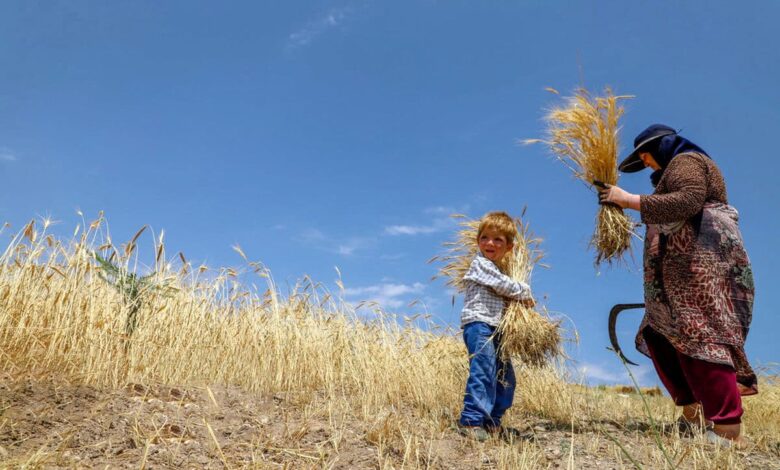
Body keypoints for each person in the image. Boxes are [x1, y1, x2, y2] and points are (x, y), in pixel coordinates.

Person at [599, 124, 756, 448]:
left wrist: (627, 200)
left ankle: (727, 428)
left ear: (660, 147)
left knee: (702, 334)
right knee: (660, 334)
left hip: (701, 267)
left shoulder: (686, 161)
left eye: (646, 157)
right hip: (676, 272)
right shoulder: (671, 171)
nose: (646, 164)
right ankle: (693, 412)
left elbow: (688, 201)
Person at [457, 211, 535, 441]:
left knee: (505, 377)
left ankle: (493, 421)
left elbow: (505, 289)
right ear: (477, 241)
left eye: (498, 239)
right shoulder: (480, 264)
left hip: (497, 329)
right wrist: (525, 292)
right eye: (485, 238)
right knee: (483, 371)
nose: (490, 243)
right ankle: (471, 421)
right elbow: (504, 286)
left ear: (509, 247)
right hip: (479, 325)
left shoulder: (499, 270)